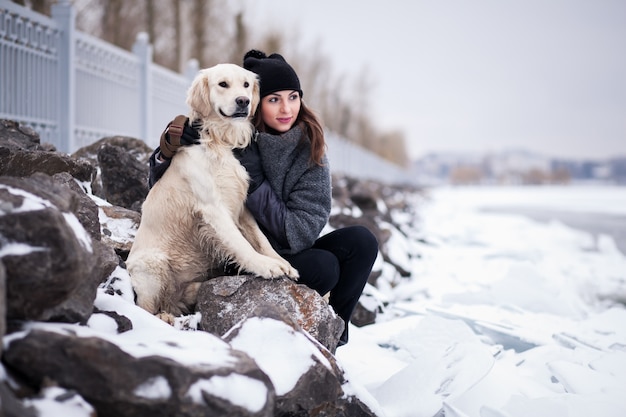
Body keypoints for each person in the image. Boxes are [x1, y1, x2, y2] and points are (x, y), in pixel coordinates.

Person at [148, 50, 378, 346]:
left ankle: (332, 332)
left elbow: (300, 232)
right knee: (325, 267)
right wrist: (166, 149)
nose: (286, 108)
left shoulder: (311, 151)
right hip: (231, 252)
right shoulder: (229, 131)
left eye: (293, 97)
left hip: (286, 246)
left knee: (361, 241)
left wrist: (253, 181)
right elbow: (171, 190)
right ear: (257, 104)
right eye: (274, 99)